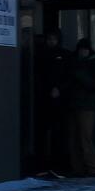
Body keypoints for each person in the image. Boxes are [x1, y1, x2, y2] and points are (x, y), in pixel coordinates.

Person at [33, 30, 71, 174]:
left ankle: (58, 165)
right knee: (42, 133)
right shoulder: (41, 55)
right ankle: (42, 164)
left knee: (58, 133)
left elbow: (69, 76)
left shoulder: (65, 55)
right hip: (43, 99)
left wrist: (59, 88)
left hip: (59, 101)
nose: (51, 42)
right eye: (49, 39)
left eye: (54, 39)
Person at [66, 38, 95, 177]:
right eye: (81, 50)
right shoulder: (76, 63)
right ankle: (79, 168)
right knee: (75, 139)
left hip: (87, 106)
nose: (82, 52)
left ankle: (91, 168)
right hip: (76, 104)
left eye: (85, 50)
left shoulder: (93, 64)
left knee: (84, 138)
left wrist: (79, 75)